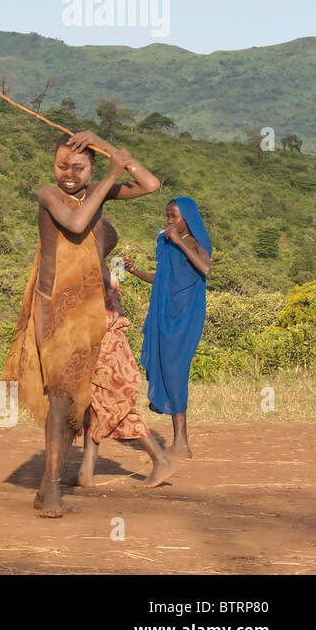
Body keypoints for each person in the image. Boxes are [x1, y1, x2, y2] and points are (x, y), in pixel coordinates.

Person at [1, 132, 160, 517]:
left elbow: (150, 184)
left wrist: (105, 145)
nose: (68, 173)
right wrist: (108, 173)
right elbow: (74, 224)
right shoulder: (49, 195)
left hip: (87, 309)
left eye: (78, 166)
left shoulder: (96, 191)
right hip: (53, 307)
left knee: (72, 400)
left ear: (89, 168)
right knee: (60, 397)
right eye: (61, 165)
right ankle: (52, 490)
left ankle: (46, 488)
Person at [70, 221, 177, 487]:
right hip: (110, 346)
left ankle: (160, 460)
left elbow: (93, 317)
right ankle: (86, 471)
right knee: (93, 409)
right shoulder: (105, 269)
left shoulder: (94, 273)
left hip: (103, 348)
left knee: (116, 408)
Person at [128, 196, 211, 458]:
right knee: (167, 367)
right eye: (167, 217)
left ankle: (182, 442)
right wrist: (135, 272)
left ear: (188, 218)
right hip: (165, 313)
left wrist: (179, 242)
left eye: (174, 216)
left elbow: (205, 269)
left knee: (176, 370)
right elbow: (162, 278)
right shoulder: (165, 243)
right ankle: (179, 441)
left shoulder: (196, 242)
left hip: (186, 316)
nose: (170, 221)